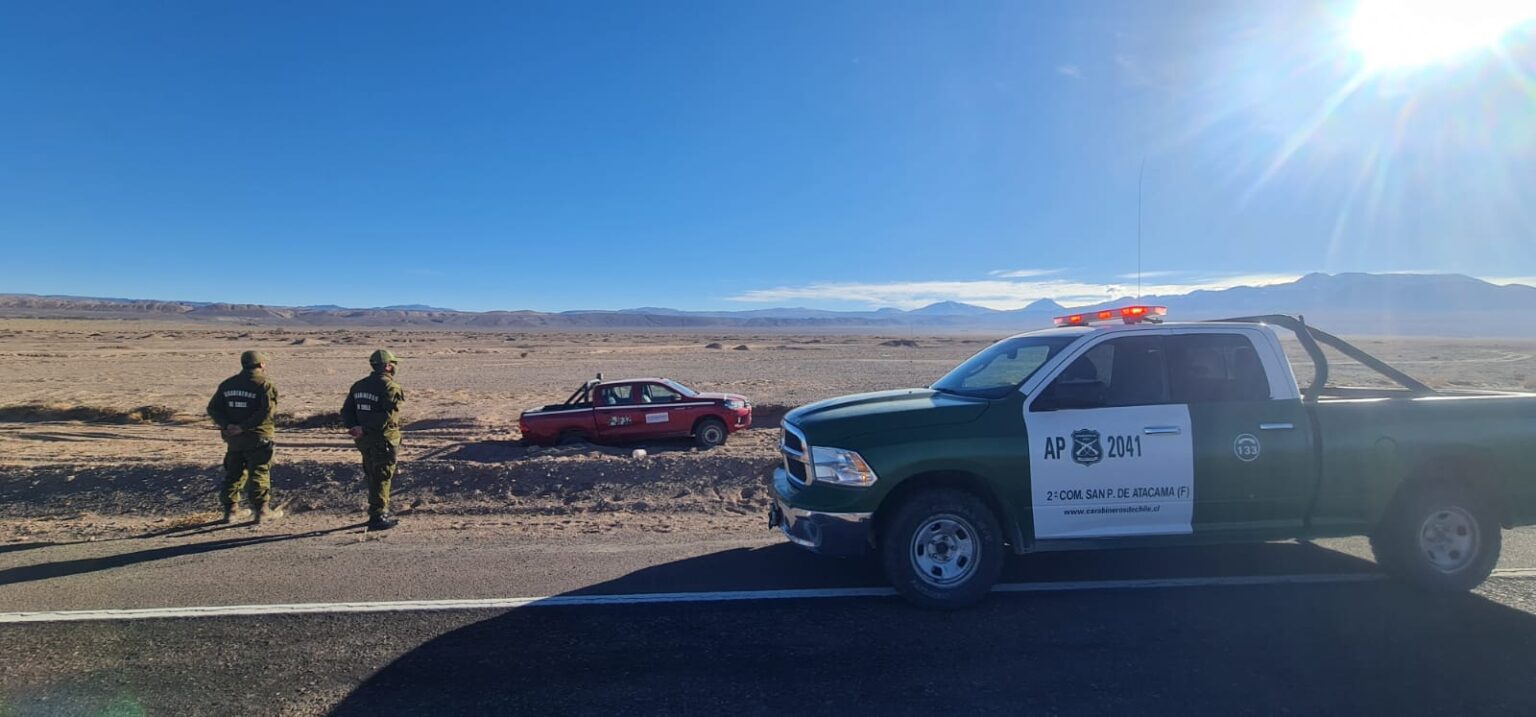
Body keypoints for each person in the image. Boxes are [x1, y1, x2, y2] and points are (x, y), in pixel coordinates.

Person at [206, 350, 282, 524]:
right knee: (259, 472)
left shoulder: (228, 384)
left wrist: (228, 426)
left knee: (233, 473)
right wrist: (243, 427)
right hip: (257, 437)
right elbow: (266, 412)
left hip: (234, 439)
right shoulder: (264, 384)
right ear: (261, 365)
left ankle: (230, 512)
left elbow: (213, 409)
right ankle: (262, 511)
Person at [341, 349, 406, 530]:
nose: (394, 368)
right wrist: (363, 428)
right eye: (393, 364)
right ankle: (378, 515)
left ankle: (377, 511)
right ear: (387, 365)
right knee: (381, 476)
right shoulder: (390, 387)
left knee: (372, 475)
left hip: (364, 440)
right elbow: (387, 417)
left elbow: (346, 411)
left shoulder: (359, 385)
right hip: (382, 440)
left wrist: (354, 427)